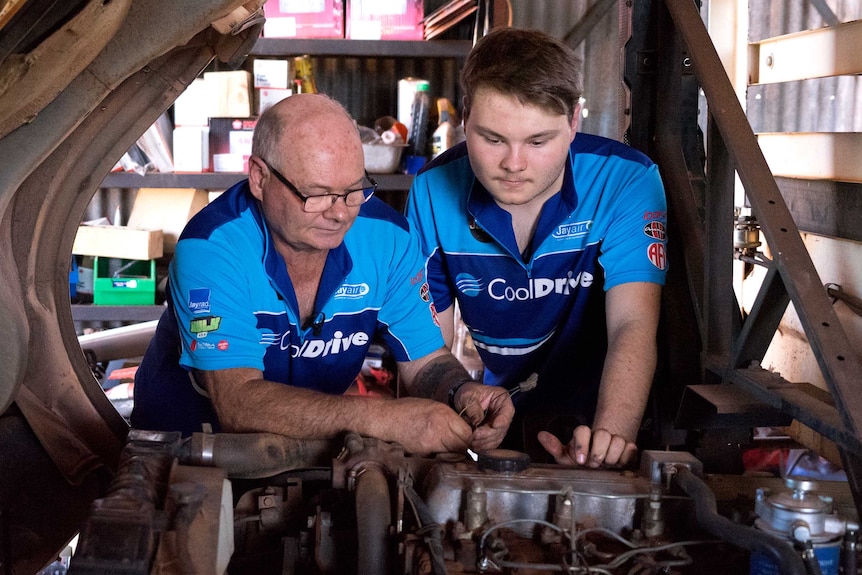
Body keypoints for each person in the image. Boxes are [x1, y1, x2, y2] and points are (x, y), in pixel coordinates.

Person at [131, 94, 514, 456]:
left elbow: (426, 361)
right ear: (260, 178)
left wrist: (460, 391)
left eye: (354, 190)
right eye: (317, 194)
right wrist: (383, 420)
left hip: (309, 453)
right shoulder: (213, 249)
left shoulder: (388, 240)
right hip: (185, 452)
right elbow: (239, 402)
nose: (341, 213)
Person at [405, 28, 668, 468]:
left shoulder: (626, 181)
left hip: (614, 403)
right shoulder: (432, 189)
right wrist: (459, 400)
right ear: (465, 118)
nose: (513, 164)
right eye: (492, 139)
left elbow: (633, 324)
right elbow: (424, 343)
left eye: (538, 141)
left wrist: (608, 442)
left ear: (573, 124)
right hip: (502, 409)